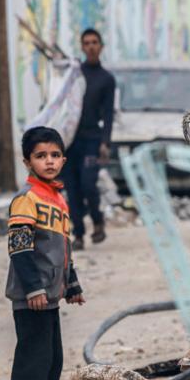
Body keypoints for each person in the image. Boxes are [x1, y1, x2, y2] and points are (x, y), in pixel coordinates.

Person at [6, 127, 85, 380]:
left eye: (54, 155)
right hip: (33, 297)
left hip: (50, 295)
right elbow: (20, 249)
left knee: (53, 360)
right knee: (33, 360)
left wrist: (72, 285)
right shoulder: (27, 199)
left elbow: (64, 249)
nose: (49, 161)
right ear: (27, 162)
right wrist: (33, 289)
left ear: (63, 160)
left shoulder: (58, 200)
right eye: (41, 156)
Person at [65, 28, 115, 250]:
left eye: (95, 42)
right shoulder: (74, 75)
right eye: (87, 43)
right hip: (70, 141)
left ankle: (97, 219)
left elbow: (109, 114)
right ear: (82, 47)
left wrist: (105, 142)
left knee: (88, 184)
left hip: (92, 141)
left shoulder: (106, 79)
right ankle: (78, 234)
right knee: (73, 188)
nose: (91, 46)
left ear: (101, 46)